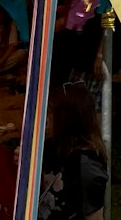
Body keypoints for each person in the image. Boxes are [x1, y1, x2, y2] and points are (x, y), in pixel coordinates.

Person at [38, 84, 108, 220]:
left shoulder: (88, 168)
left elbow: (95, 218)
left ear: (66, 119)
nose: (45, 117)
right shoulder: (50, 146)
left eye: (50, 111)